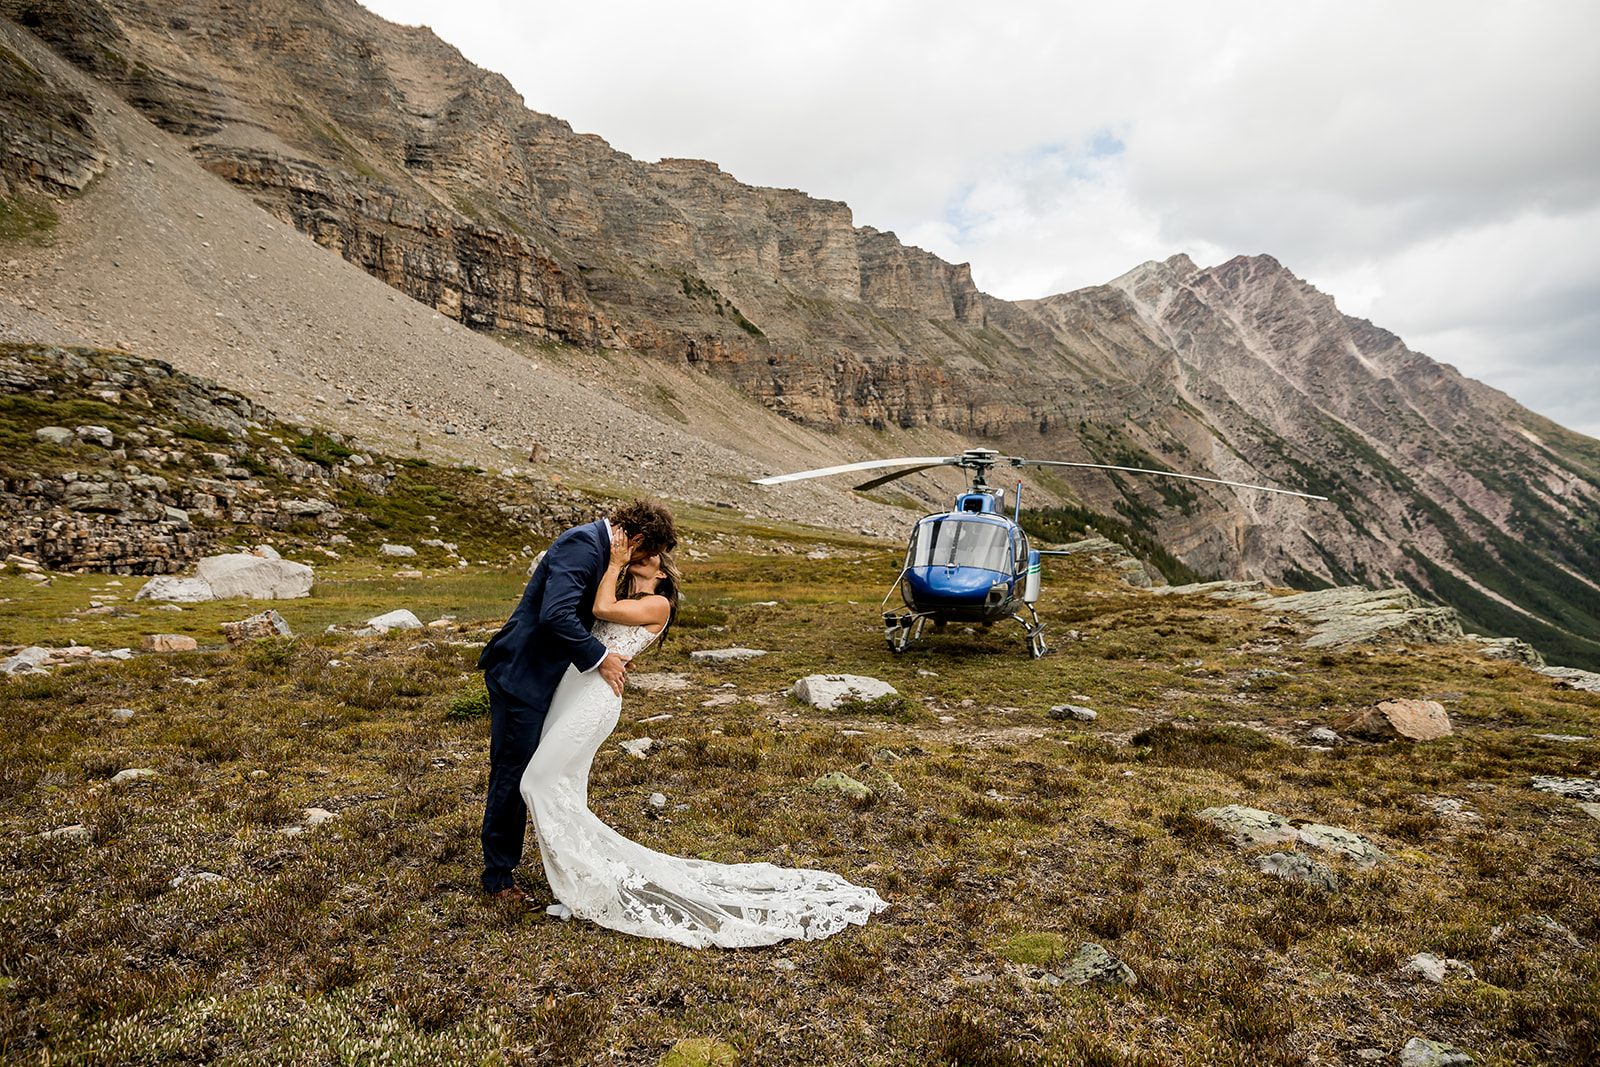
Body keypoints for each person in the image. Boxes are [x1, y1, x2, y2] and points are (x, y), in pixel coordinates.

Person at [519, 530, 890, 947]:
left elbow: (601, 608)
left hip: (596, 698)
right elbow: (591, 617)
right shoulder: (628, 594)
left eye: (653, 556)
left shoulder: (656, 602)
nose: (644, 557)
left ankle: (581, 884)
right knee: (565, 785)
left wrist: (614, 562)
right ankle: (579, 886)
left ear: (661, 574)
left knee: (535, 782)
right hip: (573, 690)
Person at [477, 499, 678, 900]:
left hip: (558, 680)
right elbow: (555, 616)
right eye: (649, 551)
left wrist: (608, 652)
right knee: (514, 772)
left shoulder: (603, 555)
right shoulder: (584, 545)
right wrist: (601, 656)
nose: (650, 559)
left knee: (546, 774)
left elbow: (593, 616)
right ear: (636, 540)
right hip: (523, 674)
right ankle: (498, 877)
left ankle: (561, 861)